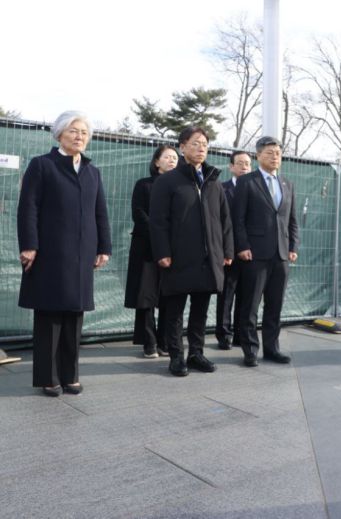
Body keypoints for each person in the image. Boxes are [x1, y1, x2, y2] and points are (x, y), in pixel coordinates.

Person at [17, 111, 112, 397]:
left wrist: (104, 247)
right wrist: (29, 245)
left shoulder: (92, 171)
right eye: (73, 131)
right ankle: (49, 377)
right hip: (50, 252)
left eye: (84, 132)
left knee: (74, 315)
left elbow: (100, 213)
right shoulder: (42, 165)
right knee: (49, 315)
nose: (80, 136)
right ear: (59, 134)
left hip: (83, 254)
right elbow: (28, 208)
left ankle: (70, 375)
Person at [149, 127, 234, 377]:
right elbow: (158, 221)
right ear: (182, 147)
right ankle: (176, 356)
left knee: (200, 308)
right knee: (174, 309)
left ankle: (196, 353)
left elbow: (224, 219)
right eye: (195, 143)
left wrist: (226, 250)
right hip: (177, 256)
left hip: (209, 257)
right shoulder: (167, 181)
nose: (201, 148)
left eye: (205, 144)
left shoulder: (213, 181)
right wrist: (162, 251)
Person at [232, 136, 299, 367]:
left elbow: (292, 220)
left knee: (275, 305)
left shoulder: (287, 184)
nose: (275, 156)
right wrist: (242, 246)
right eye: (270, 152)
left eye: (278, 153)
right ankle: (250, 350)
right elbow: (237, 219)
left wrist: (293, 247)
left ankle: (272, 349)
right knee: (250, 305)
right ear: (258, 155)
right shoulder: (247, 182)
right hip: (255, 254)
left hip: (281, 255)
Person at [124, 145, 178, 358]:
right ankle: (149, 342)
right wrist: (159, 235)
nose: (172, 160)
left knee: (169, 296)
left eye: (175, 157)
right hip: (146, 248)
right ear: (157, 162)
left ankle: (165, 341)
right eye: (167, 157)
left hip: (173, 250)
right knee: (145, 297)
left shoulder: (181, 187)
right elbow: (139, 214)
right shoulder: (144, 185)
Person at [215, 150, 252, 350]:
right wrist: (226, 250)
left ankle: (240, 334)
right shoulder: (222, 189)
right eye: (240, 163)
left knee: (246, 296)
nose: (244, 166)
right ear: (231, 166)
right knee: (226, 295)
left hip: (251, 253)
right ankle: (224, 335)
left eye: (247, 163)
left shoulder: (257, 189)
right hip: (229, 252)